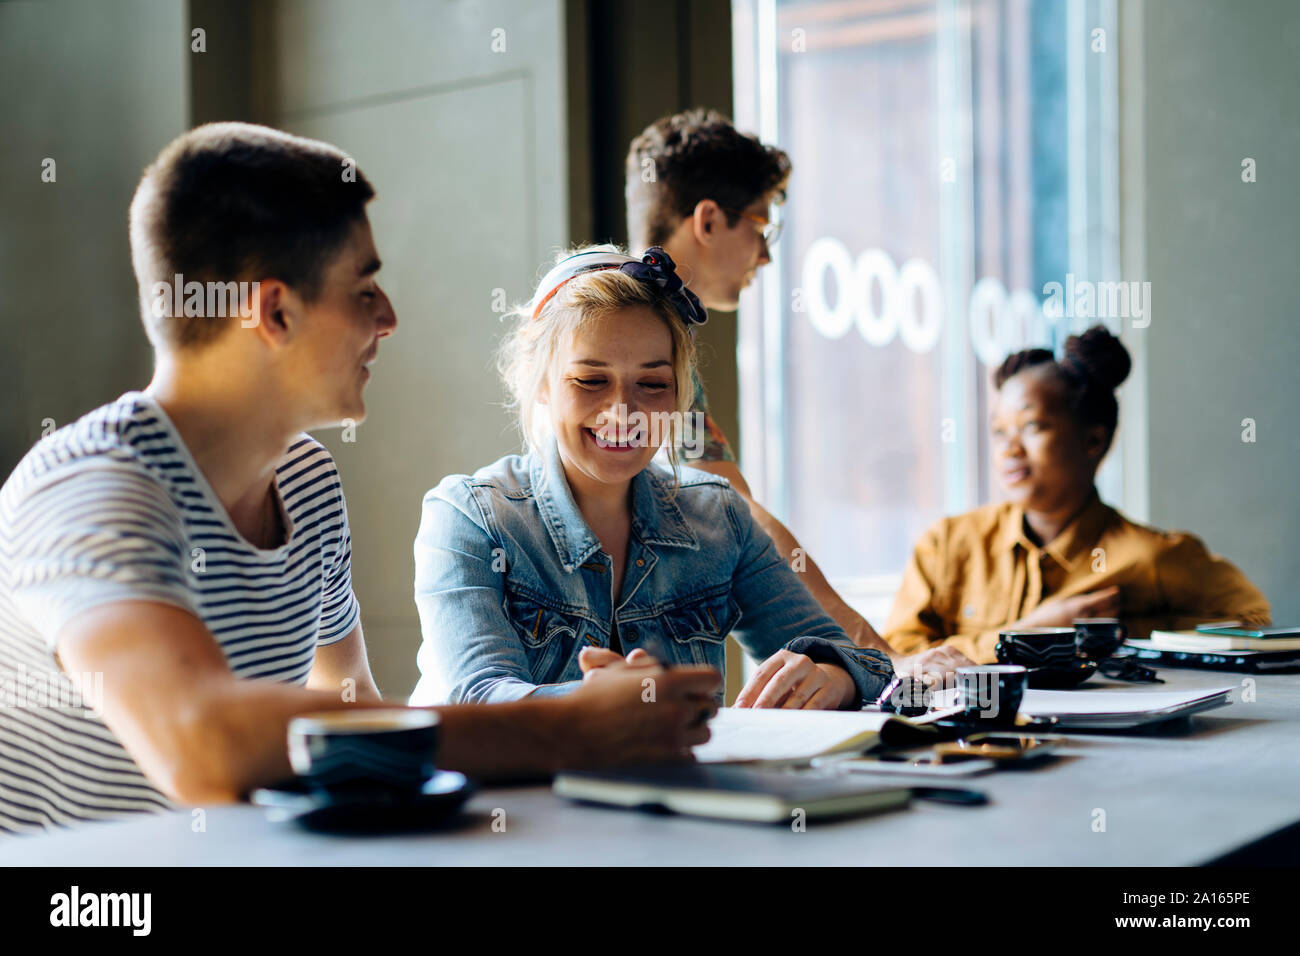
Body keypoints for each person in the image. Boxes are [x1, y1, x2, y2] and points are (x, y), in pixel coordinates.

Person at [0, 123, 719, 836]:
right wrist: (570, 729)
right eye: (364, 288)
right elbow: (202, 742)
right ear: (274, 310)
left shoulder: (307, 479)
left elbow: (352, 704)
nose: (390, 318)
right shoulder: (91, 485)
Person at [409, 245, 895, 708]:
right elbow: (477, 696)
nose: (623, 412)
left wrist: (833, 679)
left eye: (653, 384)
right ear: (539, 383)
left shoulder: (719, 516)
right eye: (590, 380)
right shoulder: (469, 518)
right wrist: (599, 703)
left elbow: (867, 666)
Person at [625, 108, 970, 677]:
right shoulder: (646, 339)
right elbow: (736, 510)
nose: (764, 255)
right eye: (761, 228)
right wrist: (884, 659)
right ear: (708, 221)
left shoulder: (636, 321)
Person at [883, 326, 1271, 662]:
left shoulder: (1150, 558)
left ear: (1093, 440)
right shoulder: (948, 545)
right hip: (970, 744)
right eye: (999, 431)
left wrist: (1144, 632)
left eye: (1032, 426)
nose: (1009, 449)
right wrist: (1027, 633)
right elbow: (895, 657)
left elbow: (1254, 620)